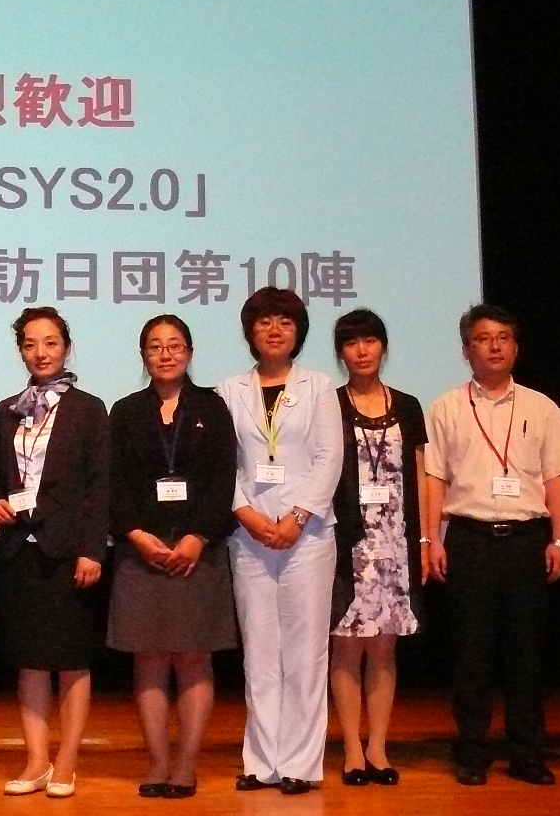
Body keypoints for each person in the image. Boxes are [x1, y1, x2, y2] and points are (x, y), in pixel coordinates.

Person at [420, 304, 560, 786]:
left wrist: (559, 539)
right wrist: (432, 539)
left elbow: (557, 477)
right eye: (483, 339)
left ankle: (527, 753)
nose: (494, 346)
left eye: (503, 337)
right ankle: (472, 750)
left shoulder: (541, 407)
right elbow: (433, 478)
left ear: (516, 347)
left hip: (526, 541)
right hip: (468, 539)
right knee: (471, 655)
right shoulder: (445, 407)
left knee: (526, 654)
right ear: (466, 350)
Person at [215, 286, 343, 795]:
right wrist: (245, 513)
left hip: (306, 536)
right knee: (260, 653)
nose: (274, 330)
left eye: (285, 322)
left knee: (306, 653)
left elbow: (329, 457)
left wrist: (297, 516)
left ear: (298, 332)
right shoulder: (228, 390)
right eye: (264, 322)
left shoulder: (320, 386)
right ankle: (261, 761)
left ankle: (300, 765)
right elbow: (224, 463)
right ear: (250, 331)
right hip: (249, 537)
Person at [107, 315, 238, 800]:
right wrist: (136, 535)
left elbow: (225, 477)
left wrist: (198, 536)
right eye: (155, 346)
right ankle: (158, 762)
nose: (166, 354)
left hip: (197, 551)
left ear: (190, 352)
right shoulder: (124, 411)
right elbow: (113, 481)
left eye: (175, 345)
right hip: (140, 551)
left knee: (194, 658)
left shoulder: (212, 407)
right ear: (143, 355)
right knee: (149, 660)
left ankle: (185, 765)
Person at [0, 307, 111, 798]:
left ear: (66, 347)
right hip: (19, 549)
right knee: (30, 659)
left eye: (51, 343)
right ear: (21, 350)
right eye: (30, 344)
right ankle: (37, 759)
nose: (41, 353)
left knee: (71, 658)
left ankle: (67, 761)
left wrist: (92, 550)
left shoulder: (89, 409)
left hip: (68, 550)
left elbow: (99, 485)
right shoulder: (7, 409)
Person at [326, 308, 427, 788]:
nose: (361, 350)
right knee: (347, 647)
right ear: (340, 352)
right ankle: (351, 749)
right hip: (347, 541)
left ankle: (378, 748)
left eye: (369, 340)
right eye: (351, 343)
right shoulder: (329, 403)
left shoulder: (408, 405)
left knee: (384, 649)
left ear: (383, 346)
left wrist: (426, 539)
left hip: (396, 542)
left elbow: (422, 473)